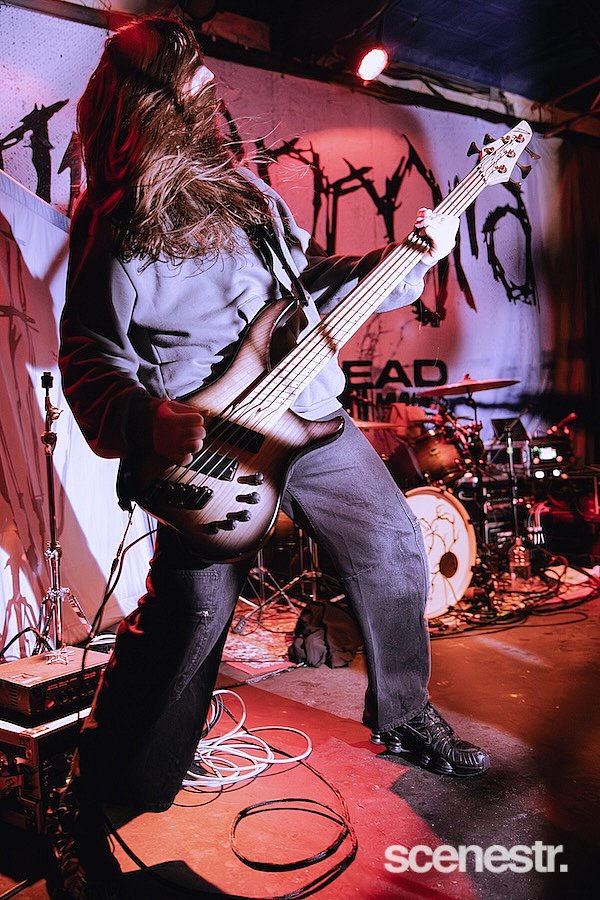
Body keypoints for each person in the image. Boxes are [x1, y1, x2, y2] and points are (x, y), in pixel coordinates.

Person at [48, 15, 490, 900]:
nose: (208, 88)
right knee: (187, 623)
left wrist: (401, 262)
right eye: (188, 78)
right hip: (213, 452)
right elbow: (88, 354)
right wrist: (145, 418)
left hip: (312, 415)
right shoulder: (116, 223)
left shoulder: (247, 195)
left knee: (395, 548)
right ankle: (88, 801)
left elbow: (310, 282)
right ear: (148, 105)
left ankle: (405, 716)